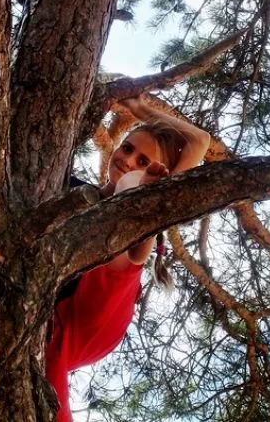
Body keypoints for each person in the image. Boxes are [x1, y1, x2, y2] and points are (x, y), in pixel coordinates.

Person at [47, 95, 210, 421]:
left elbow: (199, 141)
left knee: (130, 219)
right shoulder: (71, 188)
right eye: (127, 149)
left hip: (97, 310)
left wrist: (140, 109)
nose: (128, 160)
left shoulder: (140, 214)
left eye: (142, 162)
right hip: (58, 300)